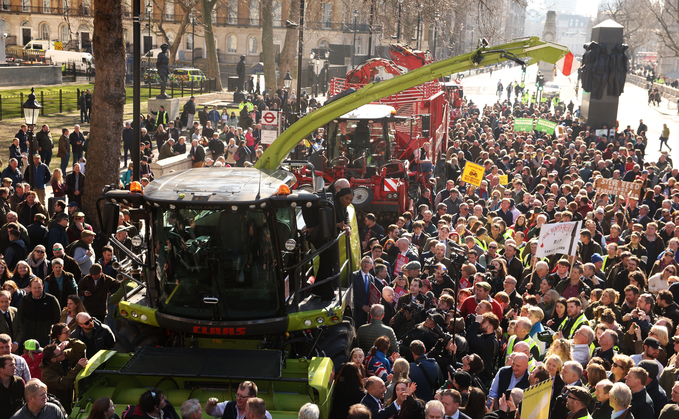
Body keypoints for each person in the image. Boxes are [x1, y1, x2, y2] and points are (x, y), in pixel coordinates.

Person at [39, 342, 87, 413]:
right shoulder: (46, 373)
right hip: (58, 406)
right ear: (53, 360)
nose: (64, 353)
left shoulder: (61, 358)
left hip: (68, 401)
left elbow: (82, 348)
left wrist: (69, 342)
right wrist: (78, 368)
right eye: (61, 352)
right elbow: (62, 384)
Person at [16, 277, 61, 347]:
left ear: (43, 286)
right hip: (28, 337)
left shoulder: (51, 299)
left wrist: (47, 325)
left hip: (45, 337)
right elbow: (21, 316)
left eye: (39, 287)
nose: (37, 290)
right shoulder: (25, 300)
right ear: (30, 288)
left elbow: (57, 315)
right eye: (34, 288)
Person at [204, 381, 272, 419]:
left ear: (252, 397)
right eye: (237, 395)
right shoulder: (228, 406)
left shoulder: (263, 414)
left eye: (242, 396)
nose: (238, 398)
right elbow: (210, 411)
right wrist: (210, 403)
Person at [0, 354, 25, 419]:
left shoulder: (19, 382)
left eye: (14, 364)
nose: (14, 367)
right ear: (1, 369)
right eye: (11, 365)